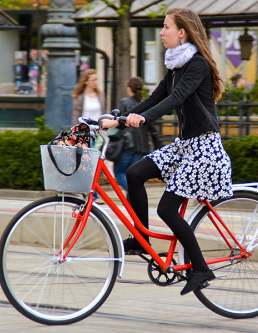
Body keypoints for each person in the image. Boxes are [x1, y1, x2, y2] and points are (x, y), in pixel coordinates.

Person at [101, 7, 232, 296]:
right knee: (135, 174)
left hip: (204, 147)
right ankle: (139, 239)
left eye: (166, 27)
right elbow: (156, 96)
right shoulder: (175, 64)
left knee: (166, 208)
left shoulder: (196, 64)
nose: (161, 32)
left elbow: (176, 98)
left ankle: (200, 268)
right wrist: (120, 119)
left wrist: (143, 119)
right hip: (186, 145)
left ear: (181, 32)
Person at [112, 77, 161, 192]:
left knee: (119, 172)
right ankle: (133, 201)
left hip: (128, 146)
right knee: (133, 176)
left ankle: (133, 194)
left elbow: (119, 123)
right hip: (141, 148)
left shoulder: (125, 102)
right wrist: (158, 147)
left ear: (129, 89)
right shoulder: (145, 104)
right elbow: (153, 130)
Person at [72, 69, 106, 203]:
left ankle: (89, 193)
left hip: (98, 134)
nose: (95, 82)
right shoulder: (80, 97)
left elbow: (103, 113)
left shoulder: (100, 95)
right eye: (92, 80)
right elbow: (75, 117)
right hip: (85, 135)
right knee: (89, 165)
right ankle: (94, 196)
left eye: (96, 80)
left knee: (96, 165)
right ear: (85, 81)